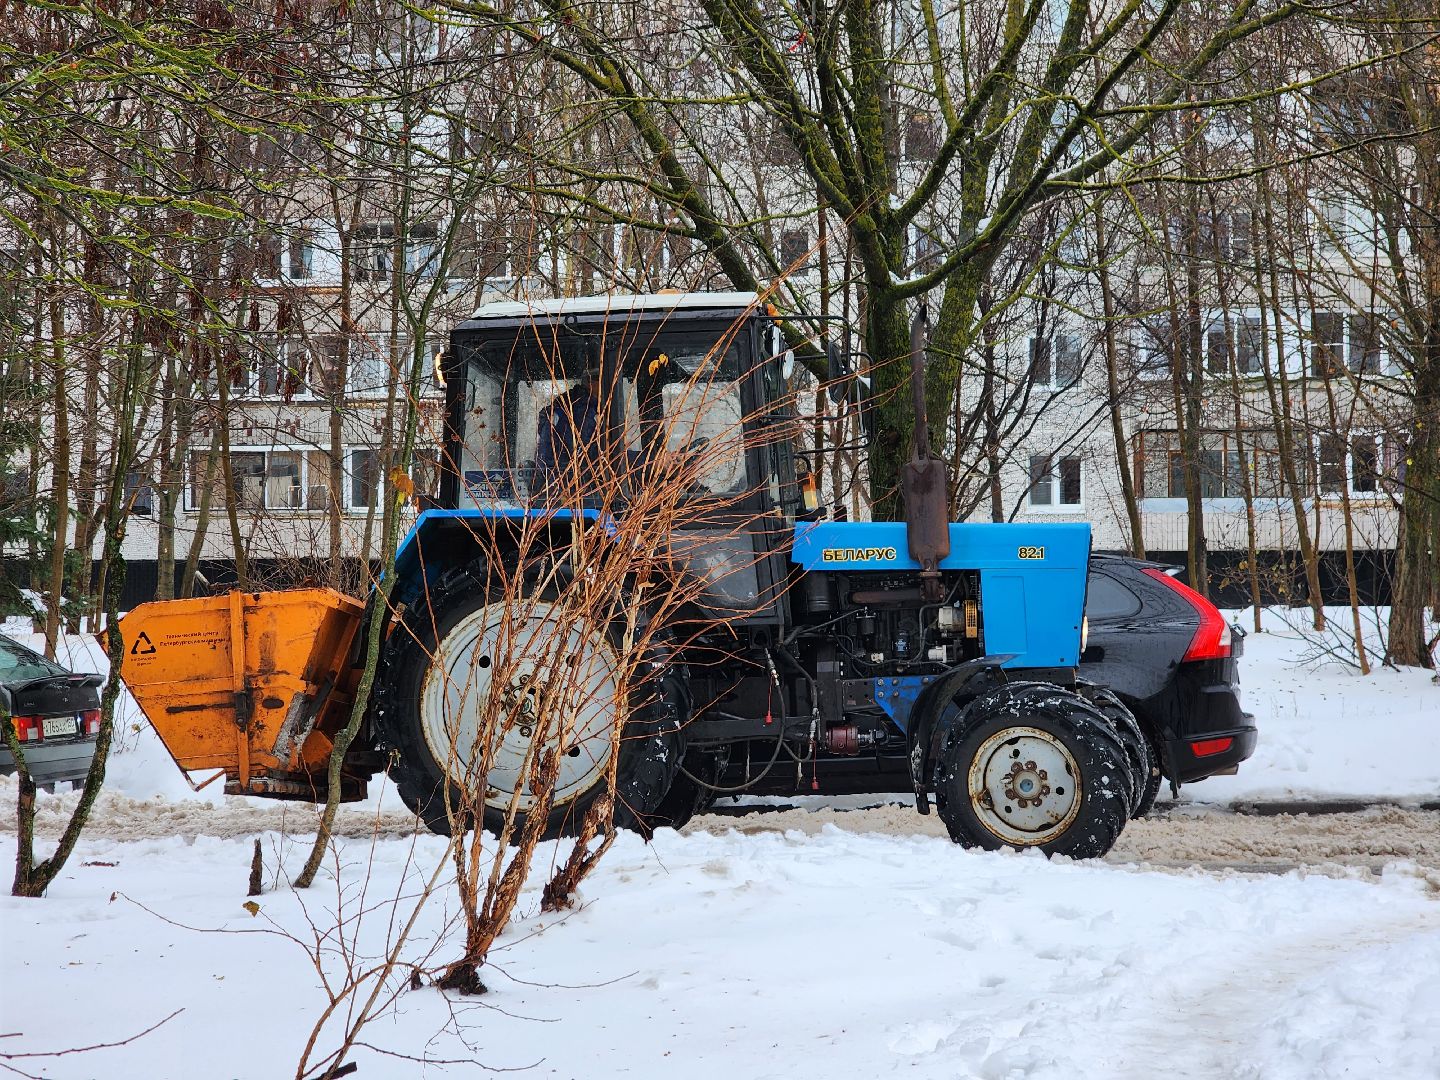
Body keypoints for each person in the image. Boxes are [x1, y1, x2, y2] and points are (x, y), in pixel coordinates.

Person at [533, 367, 602, 491]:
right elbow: (581, 448)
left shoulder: (570, 404)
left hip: (553, 477)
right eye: (601, 381)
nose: (605, 388)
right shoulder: (582, 408)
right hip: (571, 480)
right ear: (591, 382)